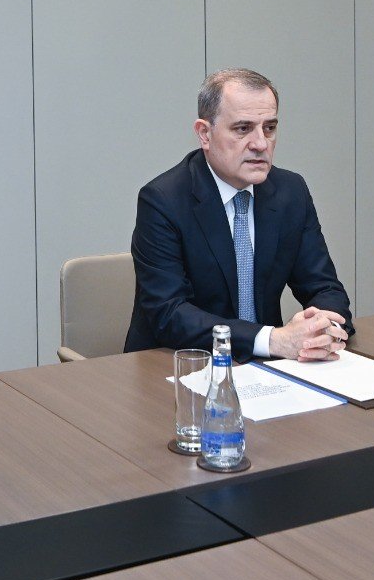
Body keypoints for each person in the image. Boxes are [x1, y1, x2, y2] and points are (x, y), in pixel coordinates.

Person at [125, 68, 353, 361]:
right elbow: (169, 313)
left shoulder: (290, 191)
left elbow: (324, 286)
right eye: (243, 129)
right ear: (205, 134)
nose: (261, 144)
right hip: (177, 364)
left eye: (269, 128)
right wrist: (272, 340)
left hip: (268, 366)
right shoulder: (163, 200)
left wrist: (323, 328)